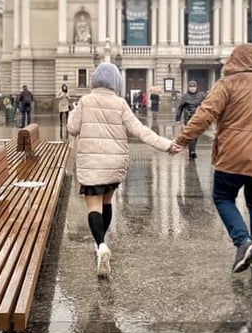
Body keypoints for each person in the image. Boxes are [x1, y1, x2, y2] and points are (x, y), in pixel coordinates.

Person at [171, 44, 252, 275]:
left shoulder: (227, 84)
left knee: (223, 197)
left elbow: (205, 114)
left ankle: (243, 242)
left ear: (234, 61)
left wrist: (183, 140)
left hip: (232, 156)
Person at [67, 63, 177, 277]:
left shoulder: (85, 101)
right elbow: (140, 130)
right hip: (113, 163)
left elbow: (72, 128)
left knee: (93, 205)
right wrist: (166, 145)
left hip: (91, 162)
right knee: (106, 202)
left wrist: (74, 113)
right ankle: (102, 243)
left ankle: (100, 245)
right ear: (116, 82)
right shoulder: (120, 104)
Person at [176, 80, 206, 159]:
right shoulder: (185, 96)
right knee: (191, 134)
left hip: (198, 117)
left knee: (195, 134)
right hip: (188, 117)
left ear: (196, 87)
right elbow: (180, 107)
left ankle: (192, 150)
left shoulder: (202, 95)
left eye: (194, 87)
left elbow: (207, 104)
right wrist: (178, 118)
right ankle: (192, 151)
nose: (192, 88)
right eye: (191, 87)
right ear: (188, 87)